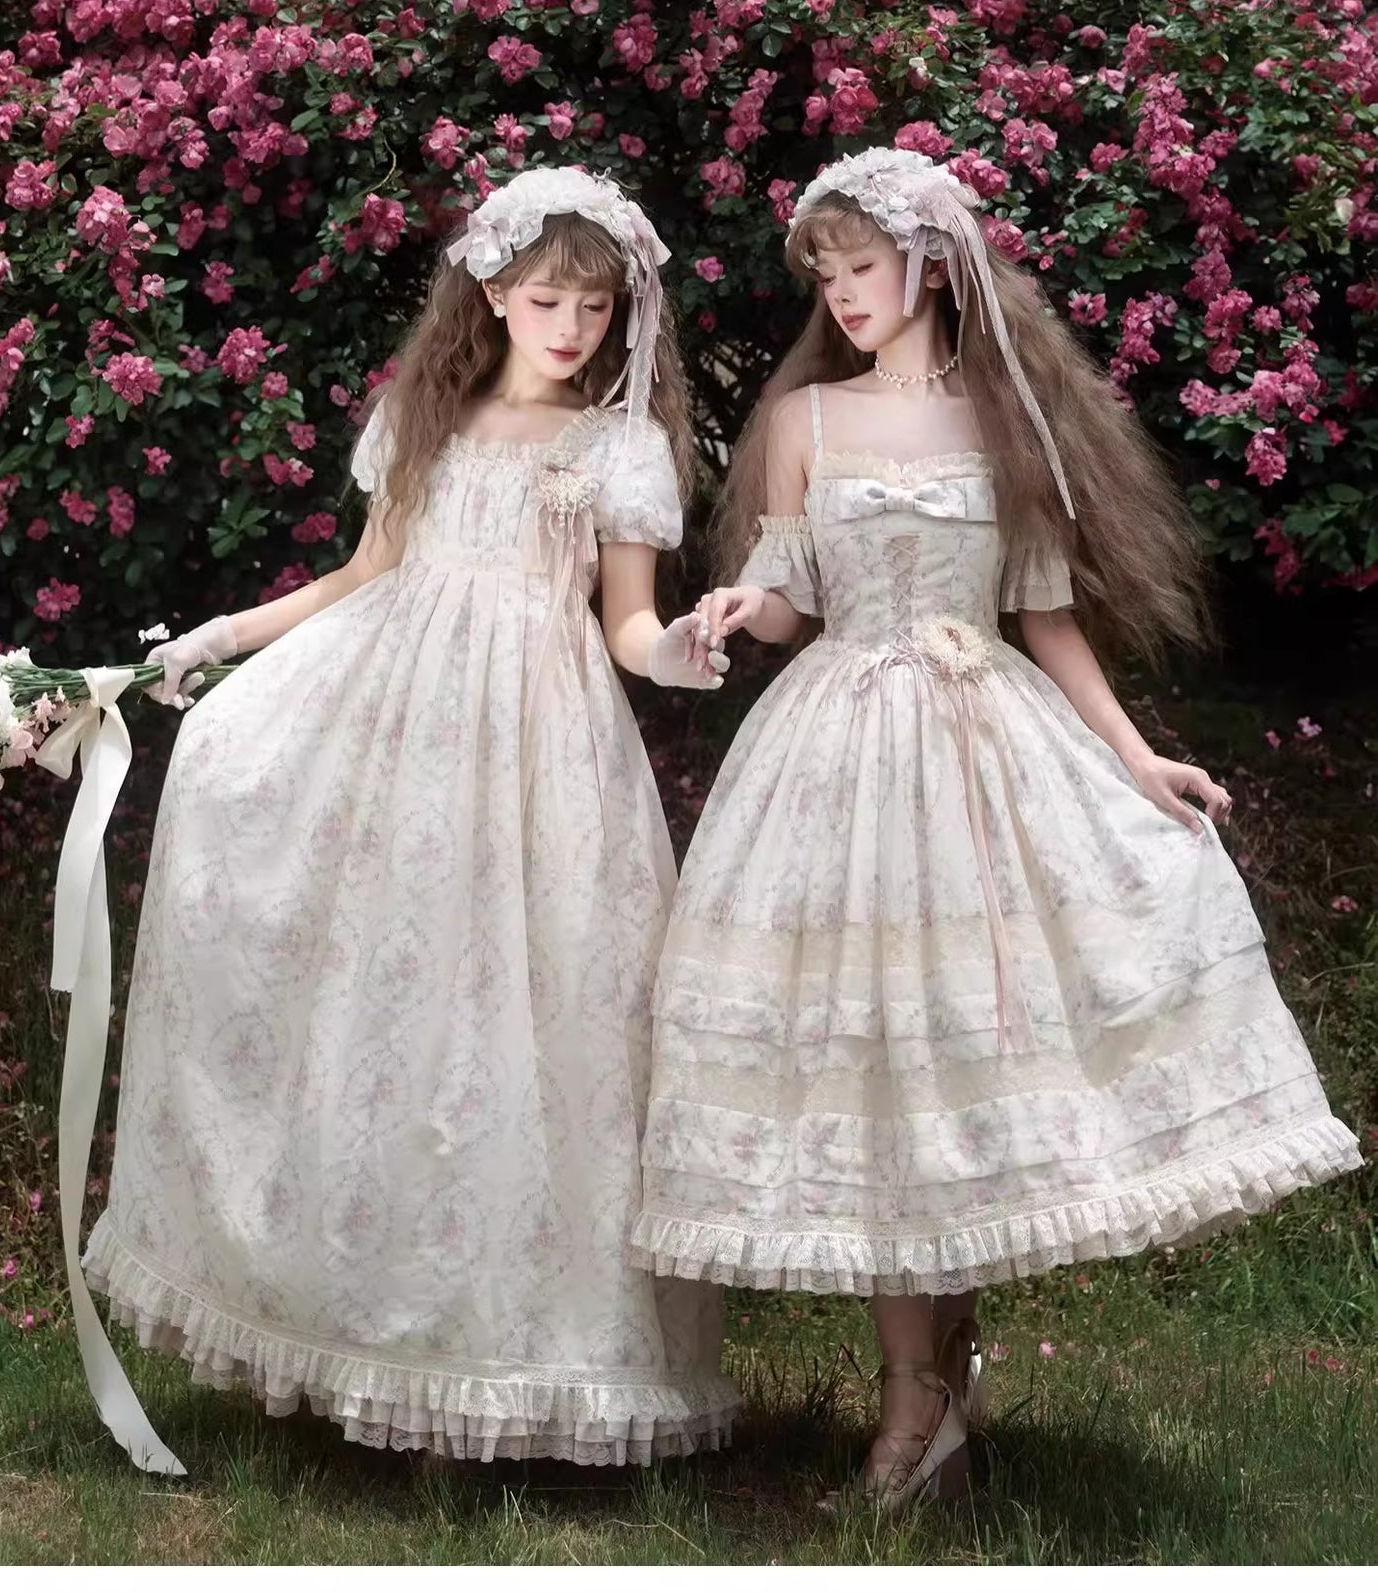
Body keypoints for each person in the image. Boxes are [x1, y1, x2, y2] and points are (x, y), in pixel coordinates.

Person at [630, 145, 1361, 1509]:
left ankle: (943, 1383)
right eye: (827, 276)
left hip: (981, 752)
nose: (845, 295)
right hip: (838, 755)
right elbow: (789, 599)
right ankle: (914, 1396)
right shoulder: (804, 419)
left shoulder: (1003, 419)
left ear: (931, 263)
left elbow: (1044, 616)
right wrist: (736, 606)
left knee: (956, 1055)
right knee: (872, 1062)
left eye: (863, 266)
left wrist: (1138, 759)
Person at [84, 165, 740, 1466]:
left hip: (540, 749)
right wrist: (213, 643)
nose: (571, 327)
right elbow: (363, 574)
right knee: (383, 1011)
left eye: (596, 307)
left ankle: (500, 1348)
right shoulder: (424, 421)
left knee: (521, 1019)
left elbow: (627, 622)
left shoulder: (617, 449)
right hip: (397, 730)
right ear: (490, 293)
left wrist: (674, 655)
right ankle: (362, 1321)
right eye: (546, 299)